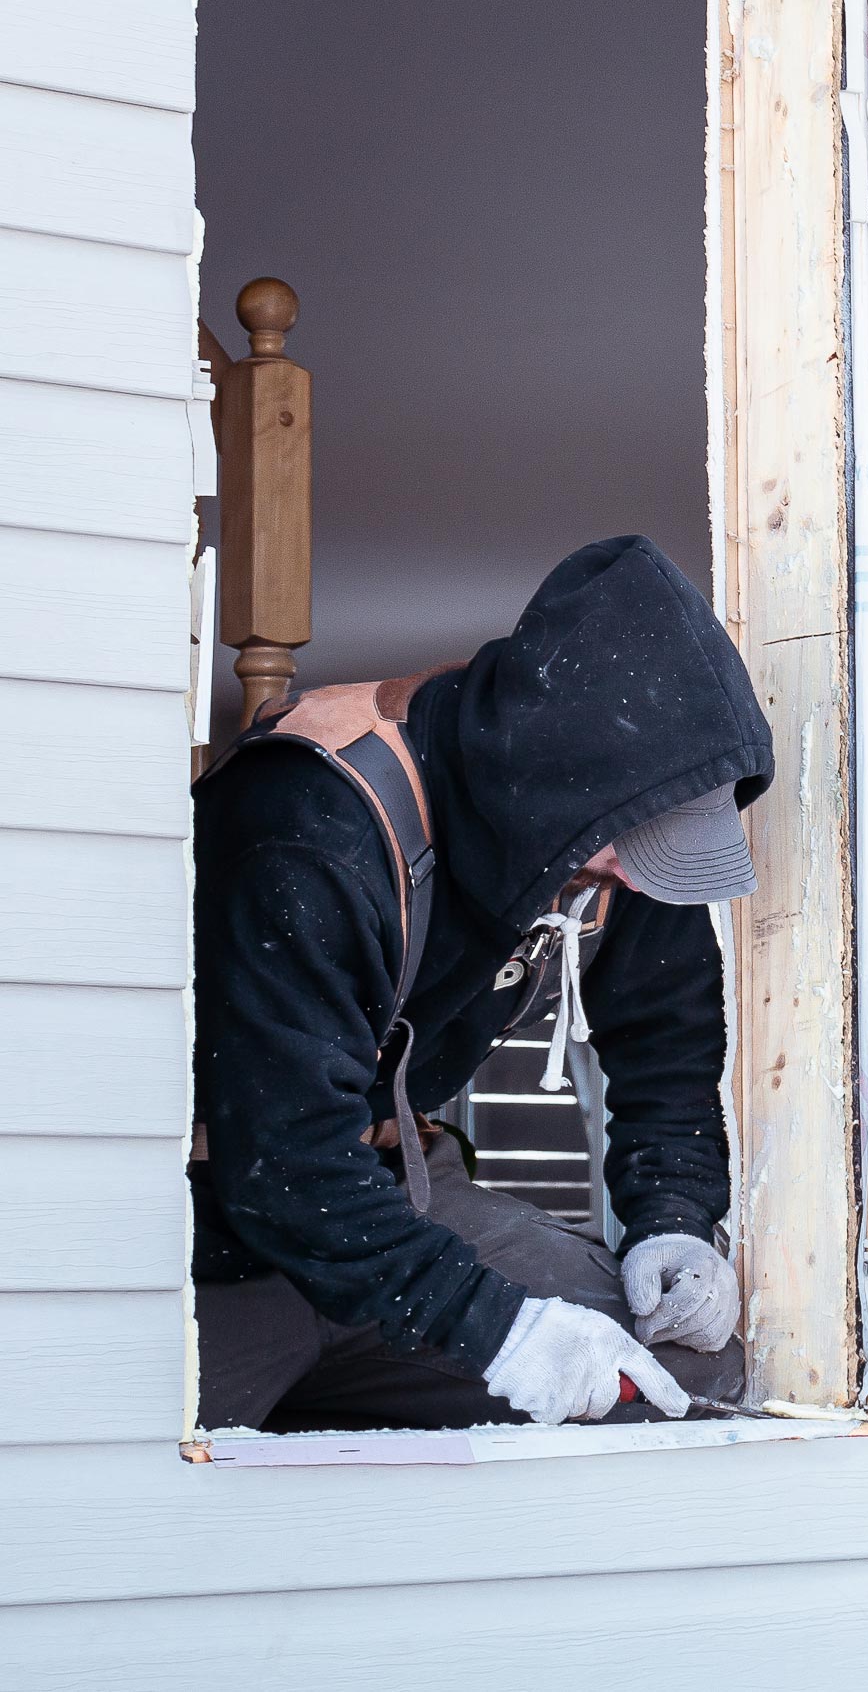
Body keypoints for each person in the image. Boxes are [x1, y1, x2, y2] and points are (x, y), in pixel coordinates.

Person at [190, 535, 773, 1431]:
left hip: (396, 1194)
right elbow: (284, 1163)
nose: (640, 878)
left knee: (681, 1375)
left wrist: (676, 1214)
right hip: (219, 1230)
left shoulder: (616, 833)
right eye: (630, 852)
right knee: (104, 1481)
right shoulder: (309, 824)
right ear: (560, 786)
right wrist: (503, 1334)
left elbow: (669, 1042)